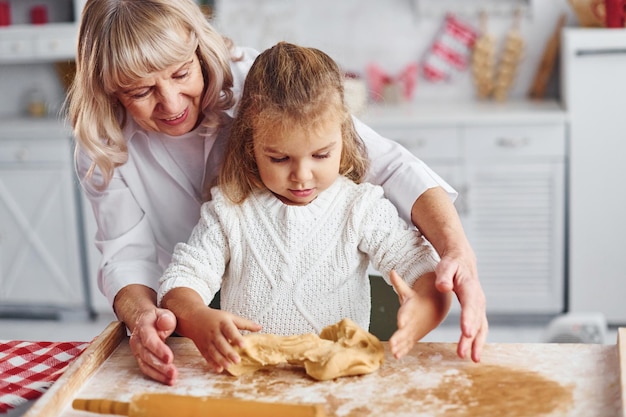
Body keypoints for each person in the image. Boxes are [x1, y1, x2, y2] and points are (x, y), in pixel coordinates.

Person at [67, 0, 487, 386]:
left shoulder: (263, 87)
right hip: (185, 314)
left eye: (181, 73)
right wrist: (150, 318)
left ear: (197, 48)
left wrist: (455, 253)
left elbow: (392, 168)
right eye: (141, 91)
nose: (172, 101)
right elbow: (128, 256)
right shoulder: (110, 143)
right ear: (110, 91)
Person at [157, 41, 452, 373]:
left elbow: (424, 267)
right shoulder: (230, 210)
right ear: (249, 142)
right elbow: (181, 281)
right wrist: (196, 316)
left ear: (343, 136)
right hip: (250, 385)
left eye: (321, 155)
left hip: (336, 387)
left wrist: (425, 308)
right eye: (279, 158)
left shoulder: (359, 207)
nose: (301, 175)